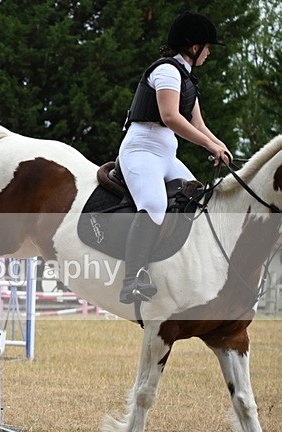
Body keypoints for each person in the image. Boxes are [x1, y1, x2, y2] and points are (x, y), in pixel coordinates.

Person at [118, 11, 233, 304]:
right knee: (154, 204)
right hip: (141, 150)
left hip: (166, 154)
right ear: (193, 47)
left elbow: (197, 124)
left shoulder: (187, 78)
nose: (209, 53)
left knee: (196, 198)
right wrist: (209, 146)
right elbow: (170, 117)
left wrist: (222, 146)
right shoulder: (167, 71)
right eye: (207, 47)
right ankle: (131, 280)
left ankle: (176, 268)